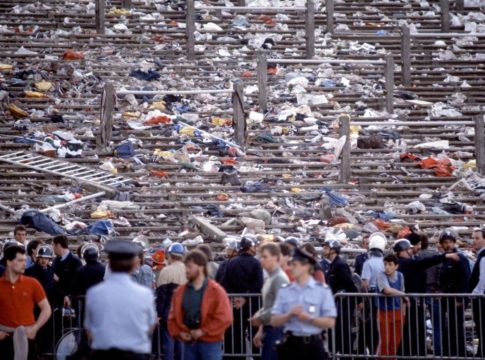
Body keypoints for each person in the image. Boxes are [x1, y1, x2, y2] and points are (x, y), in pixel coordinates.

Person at [85, 240, 157, 360]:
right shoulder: (145, 294)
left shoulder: (95, 293)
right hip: (135, 352)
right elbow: (150, 326)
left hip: (104, 352)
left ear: (110, 264)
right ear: (133, 264)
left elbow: (90, 330)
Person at [393, 238, 460, 357]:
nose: (411, 250)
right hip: (409, 303)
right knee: (412, 332)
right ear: (403, 251)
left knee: (413, 331)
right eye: (409, 249)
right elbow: (426, 262)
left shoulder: (403, 263)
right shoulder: (405, 263)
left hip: (410, 302)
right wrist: (445, 256)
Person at [271, 248, 337, 360]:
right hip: (291, 345)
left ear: (306, 266)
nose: (290, 268)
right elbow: (274, 321)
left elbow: (330, 322)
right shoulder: (285, 291)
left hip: (314, 345)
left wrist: (310, 318)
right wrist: (289, 315)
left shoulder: (322, 291)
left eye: (294, 265)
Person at [168, 250, 233, 360]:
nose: (186, 271)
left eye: (190, 267)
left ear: (201, 267)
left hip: (210, 343)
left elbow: (225, 317)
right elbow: (172, 317)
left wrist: (203, 331)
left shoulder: (216, 291)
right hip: (189, 344)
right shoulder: (180, 292)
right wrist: (179, 333)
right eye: (186, 267)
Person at [0, 245, 52, 360]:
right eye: (20, 260)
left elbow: (46, 309)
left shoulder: (32, 283)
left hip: (27, 337)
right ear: (9, 262)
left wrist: (35, 328)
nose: (24, 263)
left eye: (24, 260)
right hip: (4, 340)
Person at [222, 235, 263, 359]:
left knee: (235, 338)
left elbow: (225, 284)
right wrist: (245, 297)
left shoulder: (231, 262)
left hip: (235, 306)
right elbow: (258, 285)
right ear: (250, 247)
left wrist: (236, 298)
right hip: (253, 306)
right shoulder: (256, 263)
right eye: (254, 245)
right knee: (255, 337)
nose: (256, 248)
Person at [250, 243, 289, 360]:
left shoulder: (279, 278)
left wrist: (260, 318)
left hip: (277, 329)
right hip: (270, 328)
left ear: (276, 258)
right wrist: (260, 328)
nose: (261, 260)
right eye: (261, 256)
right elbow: (268, 305)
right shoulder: (271, 278)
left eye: (265, 257)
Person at [438, 229, 470, 356]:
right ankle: (448, 352)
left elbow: (464, 279)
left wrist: (460, 298)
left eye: (450, 242)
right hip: (446, 297)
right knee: (448, 326)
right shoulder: (444, 259)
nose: (448, 245)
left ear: (454, 243)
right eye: (445, 242)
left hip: (456, 298)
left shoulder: (460, 258)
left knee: (456, 326)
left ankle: (459, 352)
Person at [325, 240, 358, 359]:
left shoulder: (340, 264)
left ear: (333, 249)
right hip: (335, 305)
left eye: (326, 247)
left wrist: (358, 301)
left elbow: (349, 283)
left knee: (343, 333)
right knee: (335, 333)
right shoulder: (333, 264)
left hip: (342, 306)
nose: (324, 249)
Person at [156, 242, 187, 360]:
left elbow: (162, 295)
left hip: (169, 312)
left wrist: (159, 314)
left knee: (169, 342)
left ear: (169, 255)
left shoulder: (166, 271)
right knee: (181, 342)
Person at [358, 232, 386, 356]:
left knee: (369, 327)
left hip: (370, 300)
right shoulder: (386, 263)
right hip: (383, 298)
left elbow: (365, 284)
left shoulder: (368, 263)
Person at [25, 245, 56, 356]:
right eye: (42, 258)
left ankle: (44, 351)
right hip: (35, 304)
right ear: (38, 258)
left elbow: (51, 287)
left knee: (46, 328)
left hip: (47, 303)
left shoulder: (51, 270)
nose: (44, 260)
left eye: (46, 258)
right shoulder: (30, 270)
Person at [376, 254, 408, 359]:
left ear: (396, 266)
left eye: (390, 264)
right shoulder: (381, 275)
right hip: (384, 312)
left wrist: (403, 314)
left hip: (398, 312)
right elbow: (387, 290)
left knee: (396, 341)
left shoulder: (400, 276)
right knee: (385, 341)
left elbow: (402, 293)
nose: (387, 267)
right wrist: (402, 294)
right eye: (385, 264)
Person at [52, 235, 82, 308]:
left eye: (53, 245)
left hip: (71, 300)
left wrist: (59, 279)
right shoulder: (56, 260)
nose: (52, 248)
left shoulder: (75, 261)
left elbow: (77, 281)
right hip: (57, 299)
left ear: (58, 245)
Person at [470, 227, 485, 358]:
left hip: (481, 300)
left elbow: (483, 279)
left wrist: (474, 294)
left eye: (477, 238)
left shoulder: (484, 255)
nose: (473, 241)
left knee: (482, 329)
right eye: (473, 237)